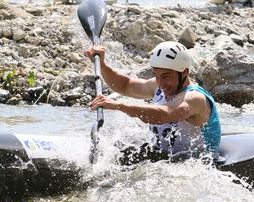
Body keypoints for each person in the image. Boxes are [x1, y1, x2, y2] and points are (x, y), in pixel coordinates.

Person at [86, 41, 221, 165]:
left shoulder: (194, 98)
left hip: (197, 163)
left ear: (184, 72)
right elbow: (124, 85)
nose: (161, 84)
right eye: (157, 76)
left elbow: (164, 115)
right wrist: (102, 64)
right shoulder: (157, 85)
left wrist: (118, 106)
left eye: (166, 76)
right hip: (164, 157)